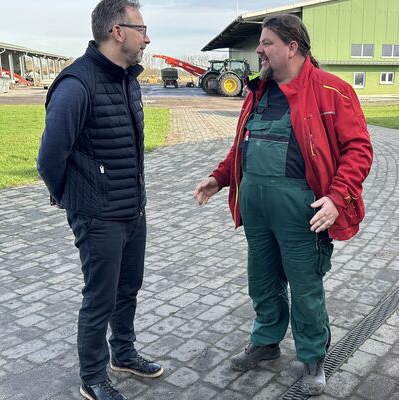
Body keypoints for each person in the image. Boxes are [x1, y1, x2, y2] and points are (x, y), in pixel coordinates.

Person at [194, 14, 372, 396]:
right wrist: (219, 176)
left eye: (267, 43)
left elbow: (359, 149)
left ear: (292, 47)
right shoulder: (259, 91)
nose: (259, 49)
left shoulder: (332, 90)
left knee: (305, 288)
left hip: (300, 213)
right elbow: (243, 144)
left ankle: (313, 357)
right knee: (262, 281)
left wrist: (339, 197)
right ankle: (266, 341)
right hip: (257, 211)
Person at [37, 1, 163, 399]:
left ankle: (122, 354)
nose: (147, 38)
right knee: (100, 298)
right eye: (141, 29)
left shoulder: (128, 78)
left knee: (128, 288)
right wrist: (70, 197)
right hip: (98, 215)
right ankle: (92, 377)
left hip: (132, 209)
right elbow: (49, 156)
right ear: (117, 31)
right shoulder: (77, 84)